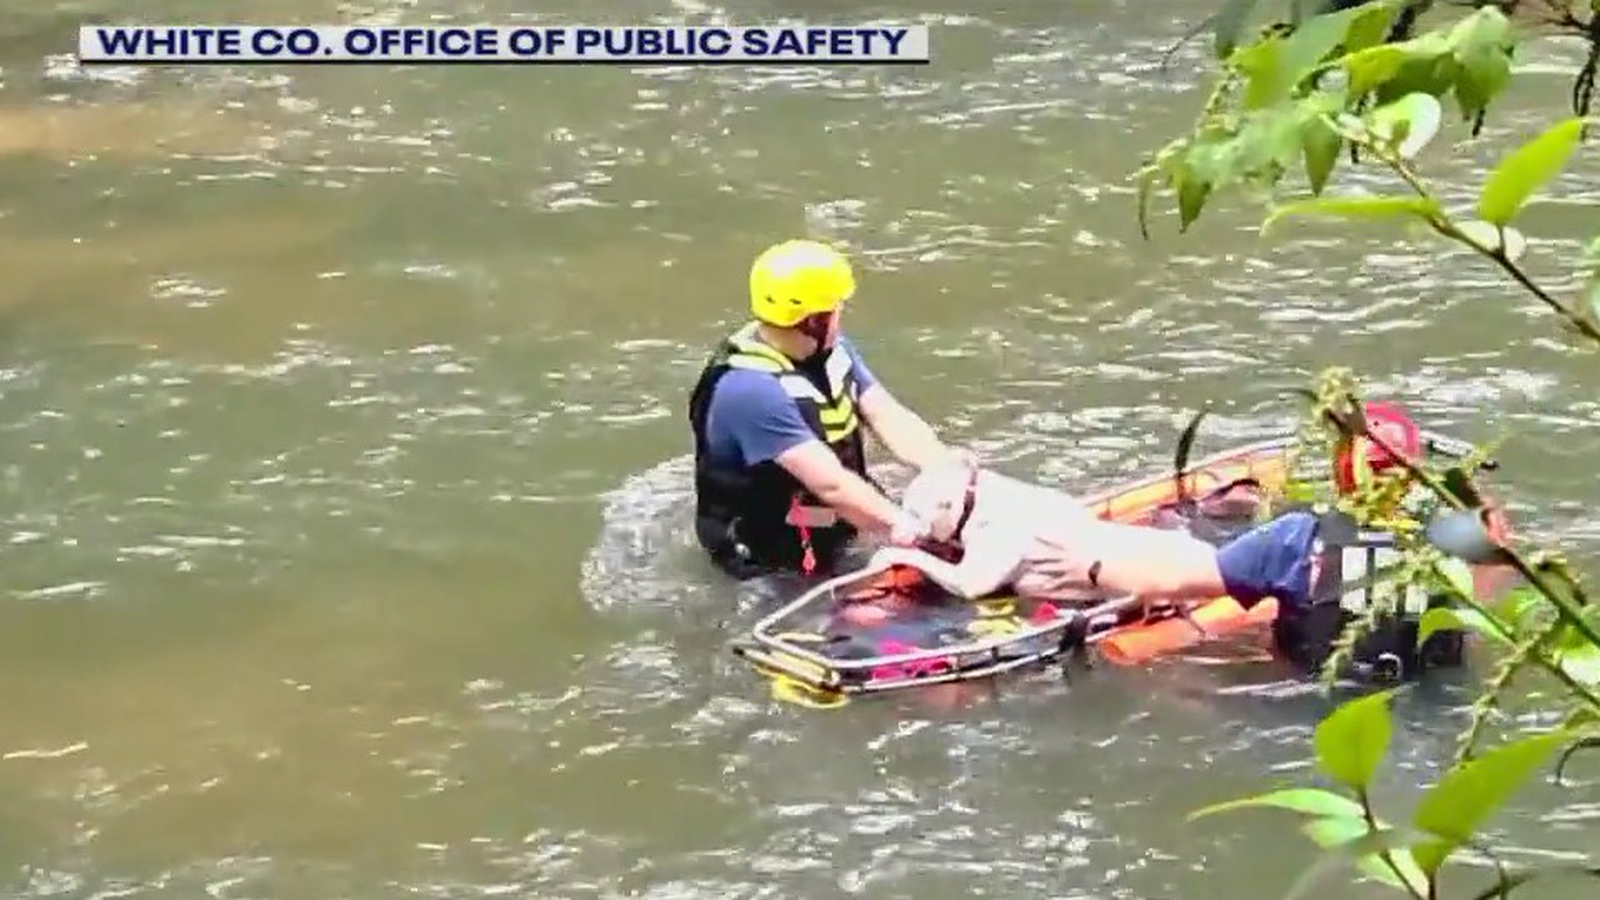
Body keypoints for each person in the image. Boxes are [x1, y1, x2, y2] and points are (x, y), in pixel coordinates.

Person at [1013, 401, 1513, 679]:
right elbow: (1499, 544)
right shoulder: (1452, 536)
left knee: (1197, 672)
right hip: (1427, 698)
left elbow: (1175, 579)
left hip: (1307, 699)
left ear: (1343, 470)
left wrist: (1089, 567)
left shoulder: (1296, 539)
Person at [687, 238, 965, 580]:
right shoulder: (750, 390)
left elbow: (887, 414)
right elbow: (831, 484)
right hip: (769, 549)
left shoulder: (832, 351)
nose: (840, 314)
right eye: (836, 307)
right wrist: (905, 527)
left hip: (829, 517)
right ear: (814, 320)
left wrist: (942, 464)